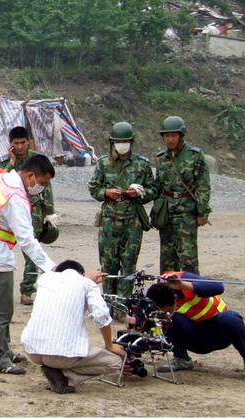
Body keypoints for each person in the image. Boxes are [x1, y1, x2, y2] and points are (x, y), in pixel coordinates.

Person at [0, 154, 61, 375]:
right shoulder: (16, 197)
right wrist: (51, 267)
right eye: (42, 183)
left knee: (1, 307)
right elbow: (27, 239)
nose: (41, 188)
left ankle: (4, 350)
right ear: (30, 176)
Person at [21, 260, 124, 393]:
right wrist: (109, 345)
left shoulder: (44, 279)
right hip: (62, 356)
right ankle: (65, 376)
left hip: (32, 351)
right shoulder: (87, 284)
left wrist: (86, 278)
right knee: (115, 362)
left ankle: (54, 369)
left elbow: (59, 276)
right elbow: (101, 316)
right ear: (81, 273)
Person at [89, 122, 156, 299]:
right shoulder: (103, 163)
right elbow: (94, 189)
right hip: (109, 221)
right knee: (108, 265)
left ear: (131, 142)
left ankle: (123, 303)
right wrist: (107, 192)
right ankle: (109, 301)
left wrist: (139, 193)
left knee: (128, 264)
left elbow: (153, 190)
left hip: (132, 221)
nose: (121, 144)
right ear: (112, 142)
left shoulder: (142, 164)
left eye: (125, 141)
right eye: (118, 141)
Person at [0, 126, 58, 305]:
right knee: (1, 249)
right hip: (8, 212)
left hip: (33, 211)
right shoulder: (5, 161)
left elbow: (47, 186)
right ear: (11, 144)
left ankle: (27, 290)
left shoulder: (37, 160)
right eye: (16, 143)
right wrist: (12, 162)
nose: (20, 146)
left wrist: (50, 213)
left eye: (23, 142)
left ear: (28, 141)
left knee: (31, 250)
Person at [146, 272, 245, 372]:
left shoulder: (180, 279)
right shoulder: (155, 300)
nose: (167, 312)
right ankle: (182, 358)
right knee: (166, 319)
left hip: (220, 333)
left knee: (230, 317)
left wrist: (183, 285)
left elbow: (218, 287)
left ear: (175, 298)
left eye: (168, 310)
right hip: (196, 339)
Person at [153, 116, 211, 274]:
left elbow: (203, 185)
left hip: (186, 212)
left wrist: (202, 212)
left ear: (181, 136)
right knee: (166, 258)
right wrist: (155, 213)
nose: (170, 139)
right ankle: (169, 296)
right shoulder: (161, 159)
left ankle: (191, 295)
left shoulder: (194, 156)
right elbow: (157, 187)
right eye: (166, 136)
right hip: (166, 213)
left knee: (188, 258)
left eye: (173, 135)